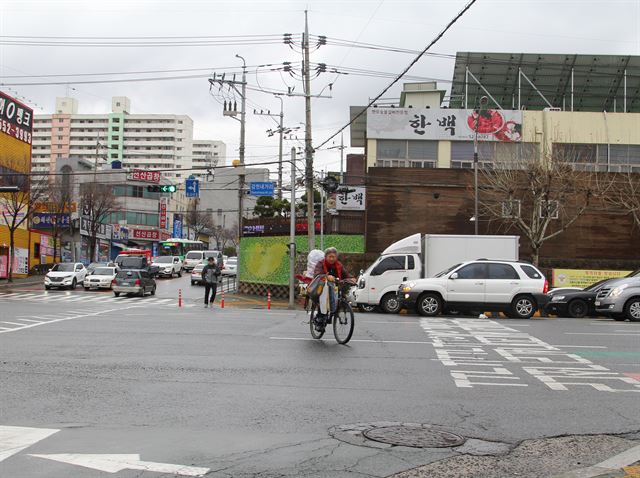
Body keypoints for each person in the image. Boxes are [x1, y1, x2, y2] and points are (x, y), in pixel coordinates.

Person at [312, 247, 353, 325]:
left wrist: (352, 278)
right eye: (330, 257)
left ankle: (337, 309)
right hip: (322, 286)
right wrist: (326, 276)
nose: (332, 259)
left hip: (335, 286)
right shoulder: (321, 264)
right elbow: (317, 274)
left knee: (342, 292)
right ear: (326, 257)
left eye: (333, 257)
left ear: (336, 257)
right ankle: (321, 316)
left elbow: (346, 274)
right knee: (324, 297)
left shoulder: (338, 265)